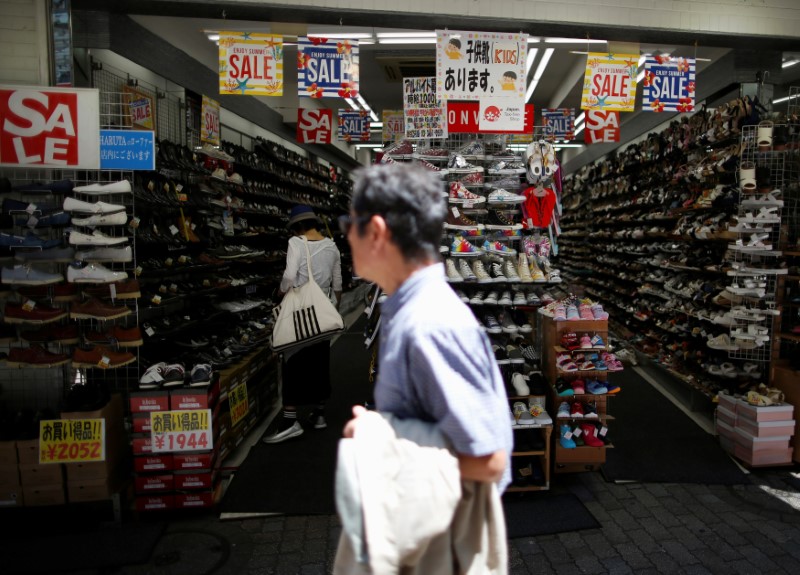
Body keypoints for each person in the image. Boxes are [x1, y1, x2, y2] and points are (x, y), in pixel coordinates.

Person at [335, 163, 513, 572]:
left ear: (376, 231)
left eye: (350, 222)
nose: (346, 234)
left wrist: (378, 436)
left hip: (438, 549)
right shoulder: (413, 311)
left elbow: (489, 460)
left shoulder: (428, 325)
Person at [262, 205, 342, 444]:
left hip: (300, 314)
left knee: (293, 362)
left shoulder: (296, 243)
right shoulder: (332, 247)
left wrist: (280, 292)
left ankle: (289, 421)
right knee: (319, 361)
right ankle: (319, 414)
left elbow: (289, 276)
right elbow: (338, 285)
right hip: (323, 312)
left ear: (297, 226)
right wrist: (330, 308)